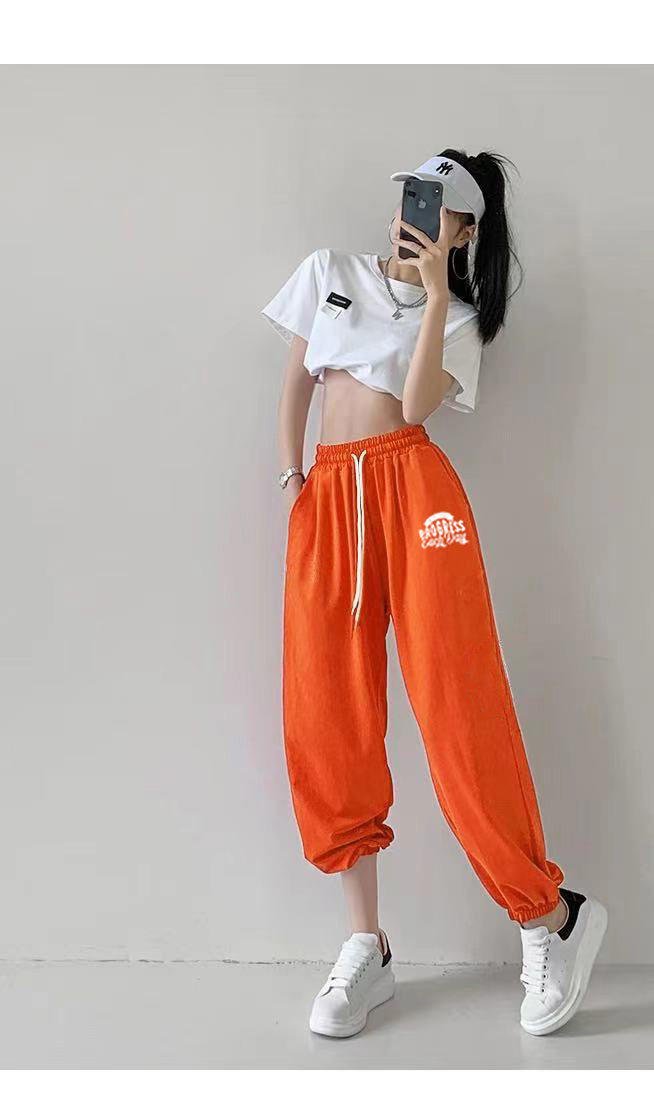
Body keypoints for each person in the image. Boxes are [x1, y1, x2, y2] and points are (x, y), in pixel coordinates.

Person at [260, 149, 607, 1039]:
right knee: (326, 708)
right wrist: (294, 479)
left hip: (417, 496)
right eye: (410, 197)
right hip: (329, 500)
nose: (412, 214)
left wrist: (440, 290)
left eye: (436, 207)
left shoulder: (461, 320)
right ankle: (366, 945)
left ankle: (548, 915)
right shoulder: (328, 273)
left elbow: (413, 409)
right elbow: (297, 380)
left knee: (458, 703)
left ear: (464, 229)